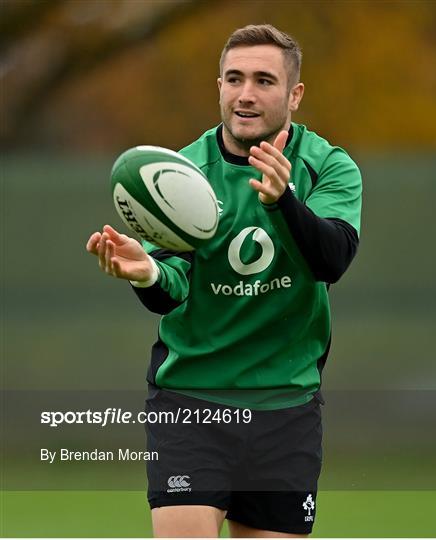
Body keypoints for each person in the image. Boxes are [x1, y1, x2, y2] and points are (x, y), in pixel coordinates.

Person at [86, 24, 362, 538]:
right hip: (191, 403)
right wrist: (146, 273)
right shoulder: (180, 173)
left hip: (287, 406)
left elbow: (332, 260)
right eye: (234, 79)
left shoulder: (328, 167)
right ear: (219, 86)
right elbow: (170, 287)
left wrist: (284, 201)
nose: (246, 94)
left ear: (294, 94)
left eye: (264, 80)